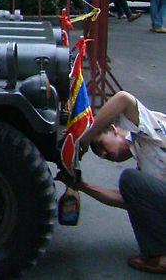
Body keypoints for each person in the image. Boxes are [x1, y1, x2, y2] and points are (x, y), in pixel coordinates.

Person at [67, 91, 166, 273]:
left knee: (129, 179)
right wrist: (83, 186)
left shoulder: (147, 131)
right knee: (132, 184)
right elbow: (125, 200)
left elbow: (123, 98)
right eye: (103, 156)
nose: (105, 154)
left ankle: (162, 258)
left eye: (102, 145)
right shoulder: (143, 163)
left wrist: (88, 137)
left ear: (113, 130)